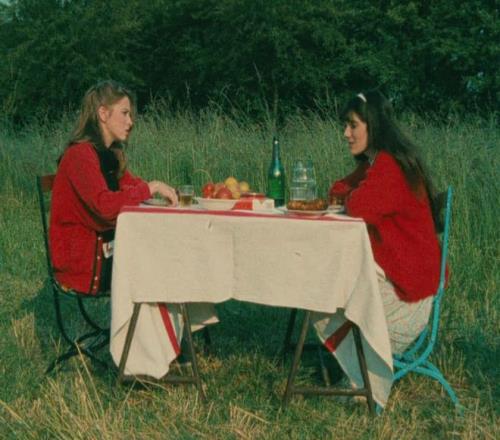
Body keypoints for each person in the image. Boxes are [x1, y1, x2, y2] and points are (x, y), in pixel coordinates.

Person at [329, 90, 446, 354]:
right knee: (334, 277)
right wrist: (353, 193)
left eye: (353, 125)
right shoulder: (376, 163)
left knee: (328, 283)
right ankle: (353, 363)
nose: (346, 133)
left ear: (373, 125)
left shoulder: (390, 166)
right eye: (346, 125)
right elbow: (337, 190)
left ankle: (360, 368)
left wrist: (351, 195)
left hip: (406, 298)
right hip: (402, 279)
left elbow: (357, 207)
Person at [49, 80, 178, 294]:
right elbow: (105, 207)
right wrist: (150, 187)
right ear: (103, 113)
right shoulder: (79, 156)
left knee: (167, 258)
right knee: (160, 268)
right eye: (124, 113)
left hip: (105, 250)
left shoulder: (108, 154)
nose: (131, 121)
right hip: (85, 264)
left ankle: (171, 314)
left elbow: (131, 185)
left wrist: (159, 192)